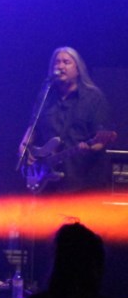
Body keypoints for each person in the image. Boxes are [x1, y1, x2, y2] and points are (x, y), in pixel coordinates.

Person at [18, 46, 115, 195]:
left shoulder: (93, 98)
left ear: (78, 70)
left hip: (82, 180)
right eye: (57, 62)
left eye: (66, 62)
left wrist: (88, 147)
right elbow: (33, 126)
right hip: (48, 183)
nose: (60, 66)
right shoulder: (46, 96)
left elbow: (101, 140)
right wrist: (24, 146)